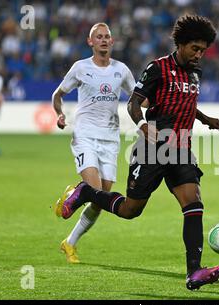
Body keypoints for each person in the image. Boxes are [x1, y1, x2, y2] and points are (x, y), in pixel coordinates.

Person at [54, 15, 219, 290]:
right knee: (131, 210)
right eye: (195, 48)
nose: (199, 54)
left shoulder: (196, 73)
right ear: (180, 44)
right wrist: (144, 127)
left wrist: (204, 119)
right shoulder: (157, 68)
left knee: (194, 203)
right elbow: (134, 104)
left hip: (181, 148)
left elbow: (185, 103)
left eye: (203, 50)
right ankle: (86, 192)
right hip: (152, 149)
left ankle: (194, 272)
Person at [52, 23, 139, 263]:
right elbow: (57, 94)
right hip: (85, 135)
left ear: (112, 42)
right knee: (95, 192)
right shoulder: (80, 68)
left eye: (107, 36)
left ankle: (69, 242)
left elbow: (138, 99)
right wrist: (59, 114)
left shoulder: (121, 70)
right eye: (98, 37)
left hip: (110, 139)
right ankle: (77, 192)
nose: (103, 40)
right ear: (90, 42)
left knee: (101, 200)